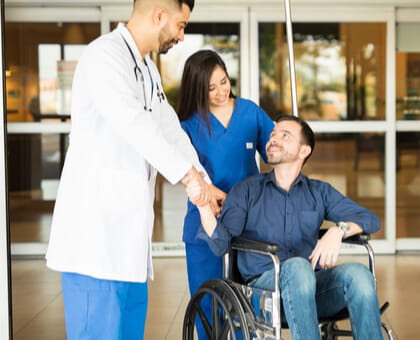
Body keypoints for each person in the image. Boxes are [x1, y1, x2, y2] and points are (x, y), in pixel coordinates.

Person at [45, 0, 220, 338]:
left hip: (129, 248)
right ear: (159, 15)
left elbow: (169, 129)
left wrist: (204, 183)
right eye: (181, 25)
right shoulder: (103, 57)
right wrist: (187, 177)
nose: (182, 37)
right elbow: (134, 123)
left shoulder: (148, 70)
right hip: (94, 245)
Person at [188, 115, 385, 340]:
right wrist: (203, 206)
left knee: (359, 274)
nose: (273, 139)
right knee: (298, 268)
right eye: (272, 135)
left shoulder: (318, 192)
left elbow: (370, 220)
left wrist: (338, 231)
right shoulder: (246, 190)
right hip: (262, 293)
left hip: (310, 291)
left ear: (304, 151)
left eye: (285, 135)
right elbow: (220, 244)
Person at [176, 49, 274, 339]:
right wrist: (216, 196)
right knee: (209, 304)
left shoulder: (250, 113)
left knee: (249, 304)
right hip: (204, 224)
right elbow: (187, 174)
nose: (221, 92)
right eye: (210, 88)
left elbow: (275, 151)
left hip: (249, 224)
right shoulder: (188, 126)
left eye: (224, 81)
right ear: (197, 89)